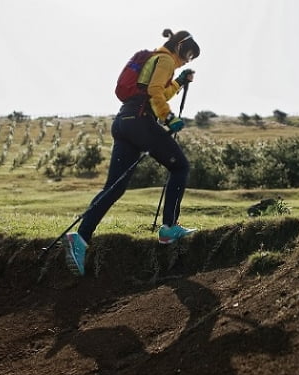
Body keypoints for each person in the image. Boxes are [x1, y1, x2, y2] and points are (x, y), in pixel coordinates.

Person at [62, 29, 200, 276]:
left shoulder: (156, 58)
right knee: (180, 167)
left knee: (114, 187)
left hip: (124, 121)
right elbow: (154, 92)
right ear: (180, 46)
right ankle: (169, 228)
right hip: (140, 120)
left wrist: (179, 82)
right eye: (188, 55)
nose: (186, 61)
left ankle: (80, 240)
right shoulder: (166, 59)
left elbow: (157, 90)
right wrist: (168, 117)